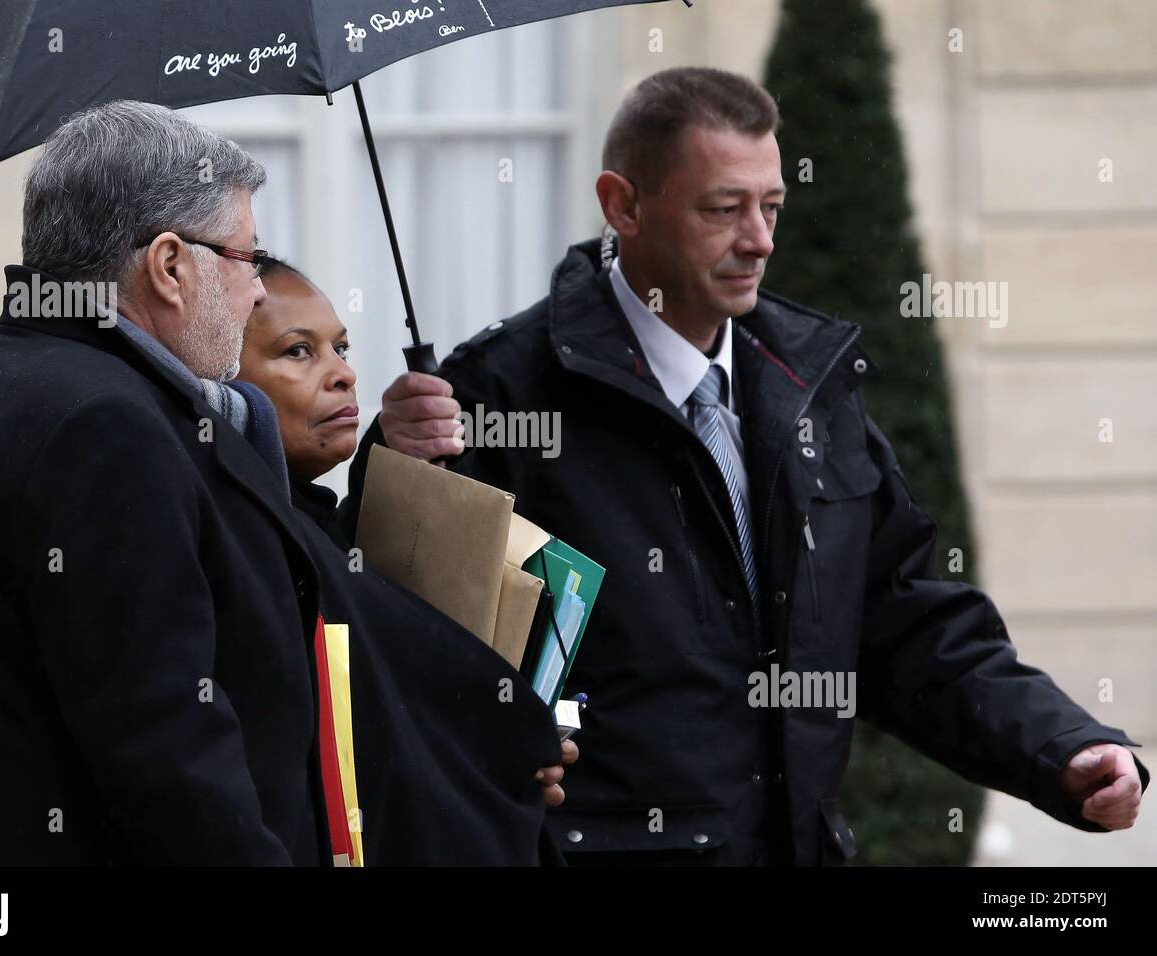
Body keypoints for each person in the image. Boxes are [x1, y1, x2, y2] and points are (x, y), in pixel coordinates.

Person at [346, 67, 1149, 865]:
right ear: (622, 205)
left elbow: (905, 620)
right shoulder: (499, 390)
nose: (760, 239)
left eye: (771, 207)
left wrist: (1061, 749)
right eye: (723, 209)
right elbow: (403, 634)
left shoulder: (812, 385)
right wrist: (396, 458)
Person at [0, 100, 329, 864]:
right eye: (248, 258)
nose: (259, 294)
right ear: (171, 265)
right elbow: (169, 758)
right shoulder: (103, 431)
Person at [216, 258, 575, 863]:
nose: (343, 376)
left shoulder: (314, 519)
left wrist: (393, 459)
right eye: (298, 352)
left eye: (342, 348)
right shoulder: (247, 540)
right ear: (217, 378)